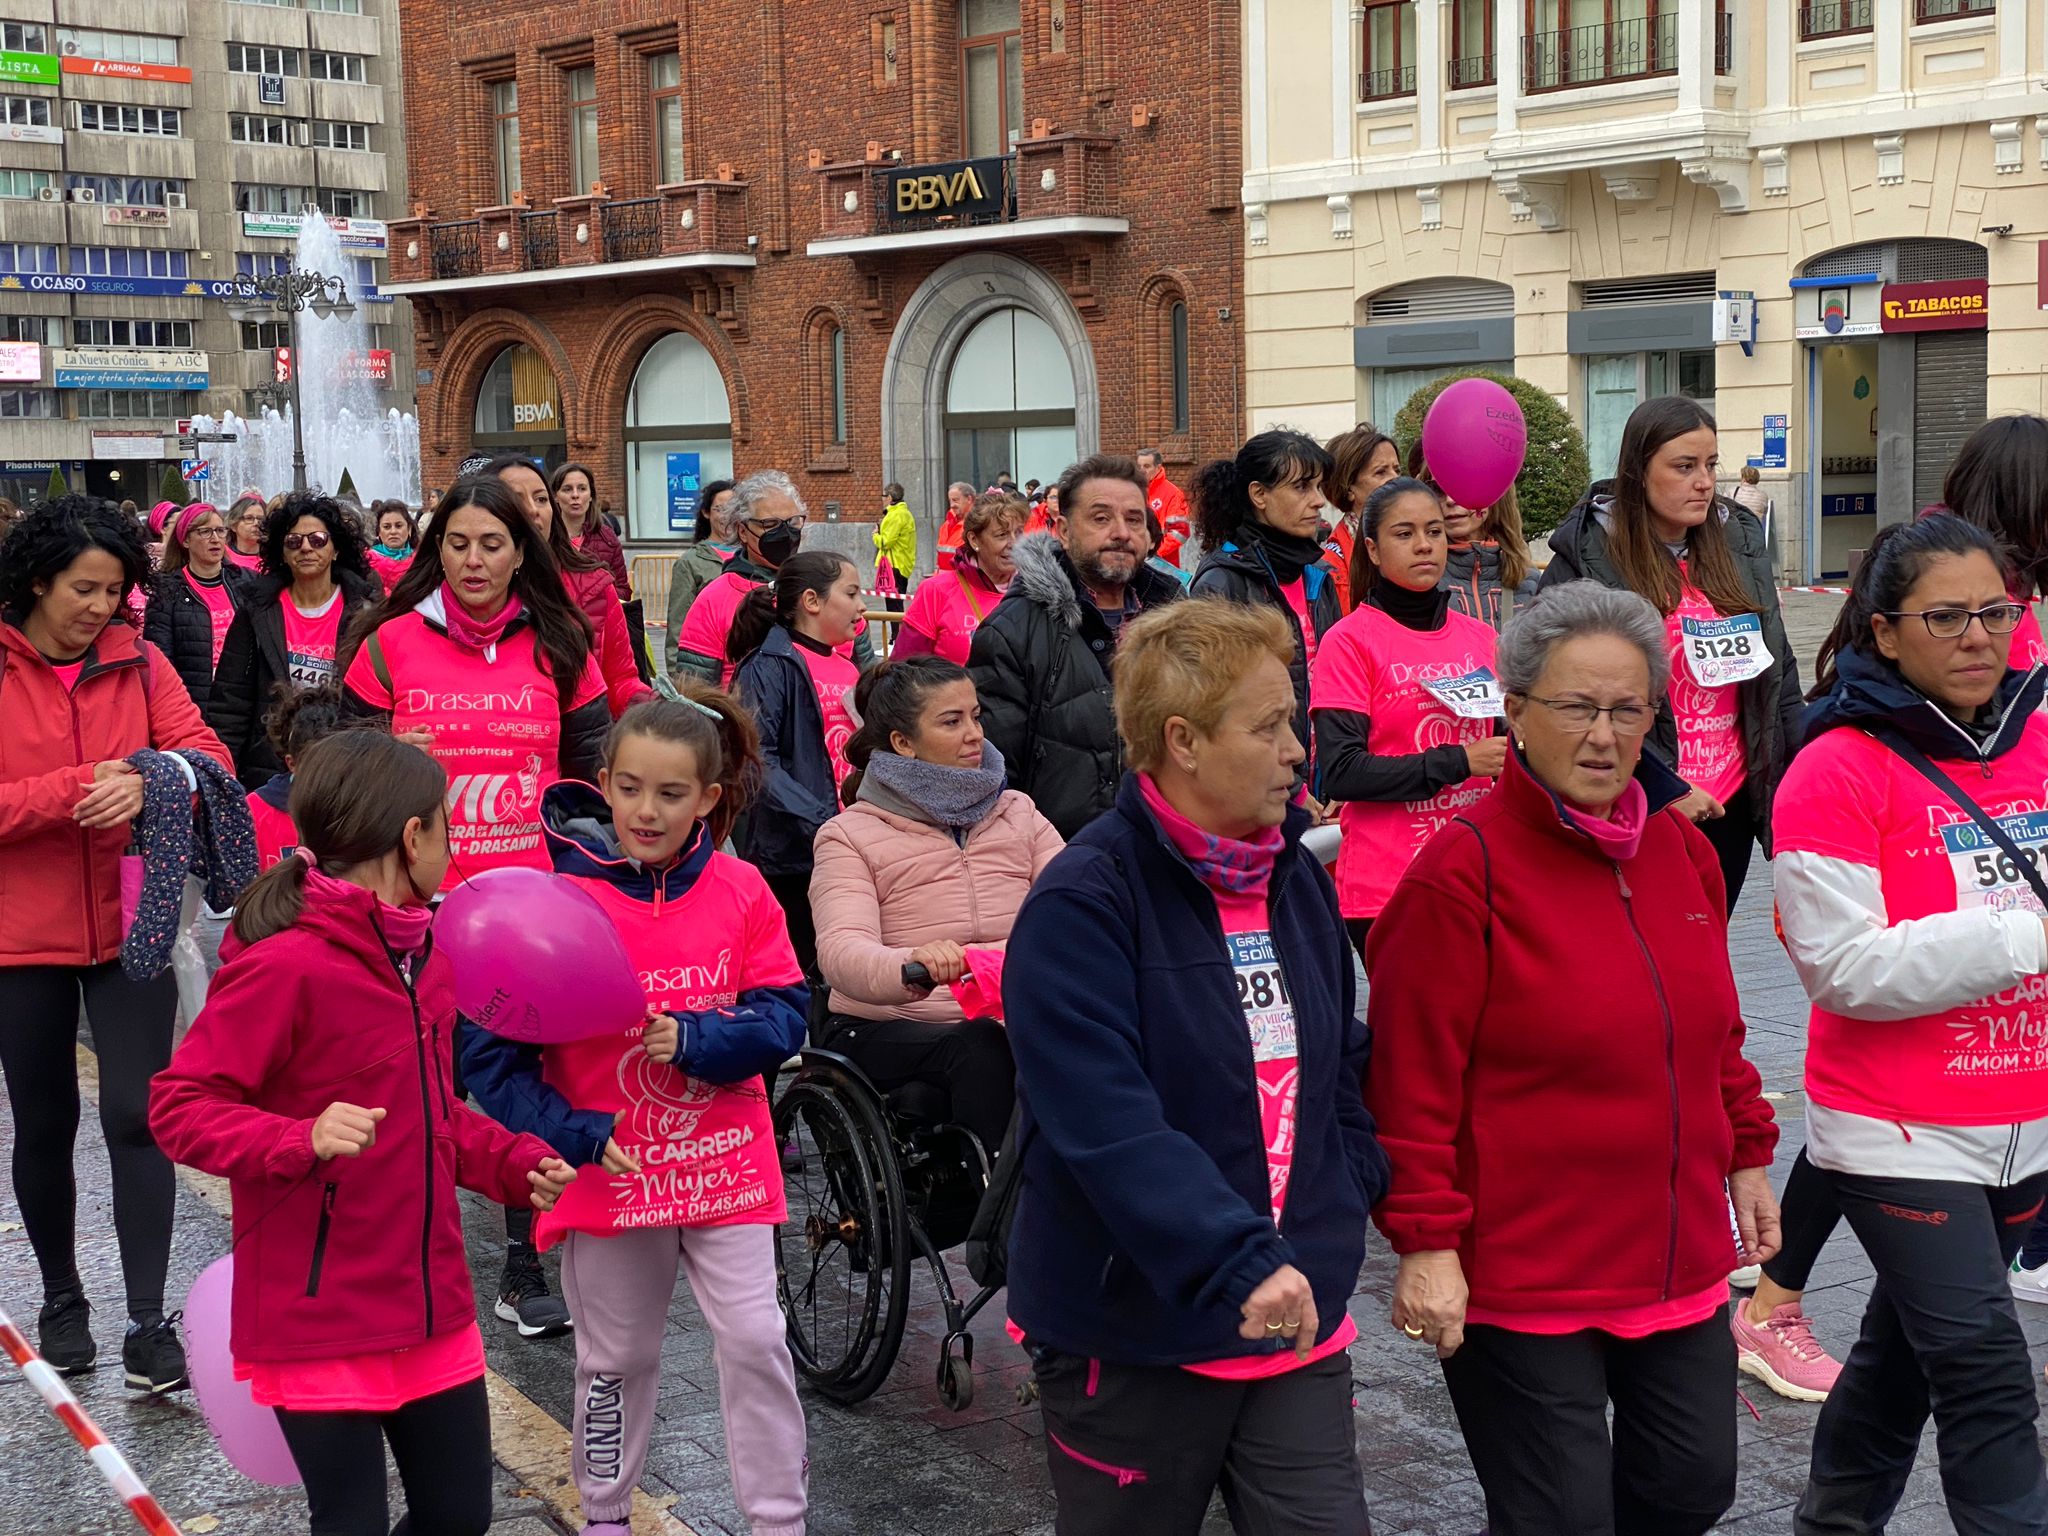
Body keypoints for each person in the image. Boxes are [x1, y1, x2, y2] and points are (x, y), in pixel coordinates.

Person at [1367, 579, 1782, 1536]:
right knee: (1559, 1516)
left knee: (1691, 1486)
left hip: (1673, 1256)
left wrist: (1748, 1153)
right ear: (1514, 711)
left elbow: (1713, 1029)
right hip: (1524, 1277)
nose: (1603, 736)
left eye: (1627, 710)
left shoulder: (1674, 850)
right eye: (1575, 708)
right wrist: (1428, 1244)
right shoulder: (1459, 872)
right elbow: (1408, 1087)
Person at [1004, 598, 1387, 1534]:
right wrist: (1235, 1255)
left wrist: (1349, 1193)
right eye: (1268, 727)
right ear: (1181, 740)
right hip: (1134, 1336)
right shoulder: (1082, 903)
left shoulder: (1293, 873)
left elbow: (1341, 1064)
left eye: (1292, 720)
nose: (1300, 750)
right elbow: (1107, 1122)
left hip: (1294, 1315)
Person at [149, 730, 574, 1536]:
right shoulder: (287, 964)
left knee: (458, 1518)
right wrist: (297, 1137)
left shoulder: (427, 958)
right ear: (413, 836)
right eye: (446, 827)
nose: (454, 846)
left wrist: (518, 1161)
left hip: (429, 1305)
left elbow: (432, 1118)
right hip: (318, 1316)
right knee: (350, 1524)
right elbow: (178, 1105)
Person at [459, 696, 809, 1536]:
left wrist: (695, 1038)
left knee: (758, 1341)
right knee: (617, 1360)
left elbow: (787, 1017)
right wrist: (579, 1134)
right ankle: (607, 1517)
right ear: (603, 787)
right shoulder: (549, 904)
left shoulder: (744, 888)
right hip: (613, 1179)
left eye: (672, 793)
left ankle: (780, 1522)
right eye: (629, 788)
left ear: (711, 797)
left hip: (725, 1165)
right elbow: (489, 1061)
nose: (647, 812)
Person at [1769, 515, 2048, 1533]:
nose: (1976, 637)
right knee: (1982, 1370)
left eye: (1992, 613)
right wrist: (2019, 935)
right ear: (1883, 631)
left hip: (2025, 1121)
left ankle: (1830, 1524)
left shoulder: (2039, 730)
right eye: (1945, 617)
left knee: (1897, 1364)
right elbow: (1839, 969)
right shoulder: (1834, 767)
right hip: (1895, 1131)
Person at [338, 475, 609, 1341]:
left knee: (521, 1087)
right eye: (457, 543)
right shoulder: (386, 645)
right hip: (411, 910)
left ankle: (525, 1265)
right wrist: (380, 751)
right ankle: (403, 1250)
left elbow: (593, 774)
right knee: (415, 1086)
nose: (474, 560)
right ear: (435, 550)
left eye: (493, 544)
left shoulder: (562, 642)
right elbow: (333, 774)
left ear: (520, 551)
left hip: (526, 911)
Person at [0, 496, 233, 1393]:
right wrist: (71, 789)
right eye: (83, 590)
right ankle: (62, 1299)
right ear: (36, 582)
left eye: (115, 591)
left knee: (140, 1116)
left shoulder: (140, 665)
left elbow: (203, 755)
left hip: (135, 926)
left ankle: (146, 1320)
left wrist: (151, 780)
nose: (100, 608)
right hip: (22, 938)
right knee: (45, 1121)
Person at [1540, 396, 1799, 911]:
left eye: (1709, 465)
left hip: (1730, 810)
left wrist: (1792, 789)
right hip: (1638, 802)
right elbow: (1560, 702)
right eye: (1684, 467)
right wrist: (1660, 787)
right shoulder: (1588, 562)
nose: (1703, 481)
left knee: (1704, 955)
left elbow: (1779, 681)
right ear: (1638, 474)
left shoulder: (1737, 549)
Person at [811, 658, 1062, 1155]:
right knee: (983, 1044)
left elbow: (1077, 908)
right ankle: (1003, 1221)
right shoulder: (847, 835)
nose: (974, 734)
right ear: (903, 743)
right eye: (951, 721)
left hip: (1017, 1008)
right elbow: (841, 951)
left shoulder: (1020, 812)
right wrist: (914, 965)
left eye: (976, 716)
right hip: (887, 1023)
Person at [1312, 476, 1504, 956]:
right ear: (1373, 551)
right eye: (1405, 534)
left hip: (1480, 873)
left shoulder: (1481, 638)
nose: (1424, 546)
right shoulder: (1350, 640)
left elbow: (1507, 749)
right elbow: (1341, 772)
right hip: (1390, 885)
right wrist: (1458, 762)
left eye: (1435, 532)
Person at [967, 453, 1183, 840]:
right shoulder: (1011, 633)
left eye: (1134, 519)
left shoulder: (1181, 619)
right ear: (1063, 531)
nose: (1121, 532)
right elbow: (996, 784)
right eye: (1101, 518)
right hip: (1067, 863)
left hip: (1172, 858)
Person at [730, 550, 866, 980]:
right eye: (851, 592)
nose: (862, 605)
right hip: (789, 855)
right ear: (812, 601)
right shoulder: (768, 666)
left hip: (844, 844)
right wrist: (819, 820)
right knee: (801, 972)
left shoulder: (847, 666)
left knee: (840, 967)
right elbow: (756, 759)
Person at [1188, 431, 1341, 783]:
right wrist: (1291, 789)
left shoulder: (1318, 575)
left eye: (1319, 486)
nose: (1319, 500)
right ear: (1259, 494)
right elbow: (1216, 709)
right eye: (1302, 487)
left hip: (1327, 785)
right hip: (1260, 792)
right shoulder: (1222, 582)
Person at [205, 492, 378, 791]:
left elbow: (378, 700)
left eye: (318, 539)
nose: (306, 548)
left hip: (346, 766)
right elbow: (230, 700)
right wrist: (223, 778)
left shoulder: (365, 609)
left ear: (336, 548)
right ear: (282, 553)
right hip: (270, 769)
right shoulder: (257, 609)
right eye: (294, 541)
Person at [482, 456, 646, 718]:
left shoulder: (595, 586)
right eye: (516, 498)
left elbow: (620, 680)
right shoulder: (458, 593)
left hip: (577, 745)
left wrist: (655, 705)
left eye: (541, 498)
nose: (533, 509)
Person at [675, 471, 874, 686]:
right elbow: (696, 696)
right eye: (770, 524)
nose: (785, 533)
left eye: (793, 522)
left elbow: (870, 681)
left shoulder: (828, 588)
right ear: (743, 531)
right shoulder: (713, 600)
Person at [1407, 442, 1534, 632]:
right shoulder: (1417, 577)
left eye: (1464, 484)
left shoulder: (1529, 579)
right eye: (1438, 487)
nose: (1451, 500)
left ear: (1496, 491)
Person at [142, 501, 255, 709]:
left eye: (220, 531)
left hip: (240, 702)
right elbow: (161, 659)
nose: (215, 539)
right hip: (194, 705)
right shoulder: (167, 591)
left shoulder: (246, 582)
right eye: (205, 532)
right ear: (185, 539)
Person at [893, 492, 1021, 664]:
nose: (1014, 543)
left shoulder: (1036, 591)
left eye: (1019, 533)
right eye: (1002, 535)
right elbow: (903, 670)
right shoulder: (935, 591)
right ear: (974, 540)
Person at [246, 683, 354, 869]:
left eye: (334, 764)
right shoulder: (254, 811)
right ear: (292, 763)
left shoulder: (357, 813)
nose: (324, 775)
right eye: (314, 765)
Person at [1320, 423, 1402, 614]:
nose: (1395, 478)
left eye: (1397, 470)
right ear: (1349, 488)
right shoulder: (1332, 565)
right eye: (1381, 472)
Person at [663, 477, 738, 674]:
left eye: (734, 509)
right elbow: (677, 626)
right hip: (706, 664)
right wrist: (678, 681)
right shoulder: (691, 562)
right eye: (720, 509)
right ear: (706, 513)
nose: (728, 516)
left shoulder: (753, 556)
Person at [551, 462, 629, 602]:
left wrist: (594, 599)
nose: (575, 495)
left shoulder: (608, 539)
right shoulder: (544, 537)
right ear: (556, 496)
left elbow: (623, 591)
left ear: (591, 495)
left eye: (582, 488)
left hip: (597, 621)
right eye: (567, 489)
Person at [1137, 447, 1191, 570]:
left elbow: (1180, 532)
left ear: (1158, 467)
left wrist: (1154, 553)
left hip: (1163, 565)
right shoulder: (1133, 491)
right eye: (1139, 466)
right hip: (1136, 563)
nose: (1142, 471)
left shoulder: (1172, 493)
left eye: (1146, 466)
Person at [874, 481, 916, 614]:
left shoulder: (894, 515)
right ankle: (896, 634)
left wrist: (875, 534)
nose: (882, 499)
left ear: (890, 498)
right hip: (902, 563)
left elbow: (886, 542)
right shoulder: (905, 513)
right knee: (897, 603)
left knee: (893, 605)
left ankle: (896, 635)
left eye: (883, 495)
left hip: (894, 565)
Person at [367, 502, 417, 596]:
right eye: (387, 527)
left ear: (409, 529)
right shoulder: (368, 560)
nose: (393, 531)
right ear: (379, 532)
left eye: (398, 526)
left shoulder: (420, 559)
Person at [935, 480, 974, 573]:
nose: (952, 505)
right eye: (950, 500)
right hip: (944, 582)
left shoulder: (976, 525)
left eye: (955, 500)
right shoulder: (946, 525)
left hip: (965, 582)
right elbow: (940, 559)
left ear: (969, 499)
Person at [224, 494, 267, 572]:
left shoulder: (272, 559)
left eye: (260, 519)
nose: (256, 523)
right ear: (234, 525)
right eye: (249, 518)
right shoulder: (223, 555)